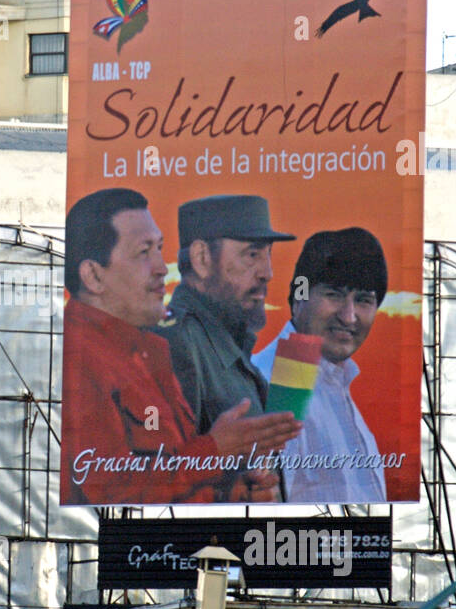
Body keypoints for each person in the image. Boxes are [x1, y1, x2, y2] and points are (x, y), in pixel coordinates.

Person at [61, 188, 300, 505]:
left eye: (159, 248)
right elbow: (110, 492)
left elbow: (172, 476)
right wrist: (215, 452)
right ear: (93, 275)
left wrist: (229, 493)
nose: (162, 267)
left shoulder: (149, 351)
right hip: (137, 552)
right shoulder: (81, 359)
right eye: (144, 251)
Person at [251, 227, 388, 503]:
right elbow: (263, 510)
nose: (349, 317)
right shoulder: (284, 383)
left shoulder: (333, 382)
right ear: (299, 294)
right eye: (334, 294)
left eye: (363, 300)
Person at [155, 195, 297, 434]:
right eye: (252, 254)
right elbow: (158, 464)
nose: (268, 273)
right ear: (202, 258)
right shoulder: (178, 341)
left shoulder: (224, 340)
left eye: (268, 254)